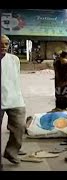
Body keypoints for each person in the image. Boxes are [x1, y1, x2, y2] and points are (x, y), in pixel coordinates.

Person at [1, 34, 26, 166]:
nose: (3, 46)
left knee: (19, 127)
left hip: (15, 99)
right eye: (1, 43)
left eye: (6, 44)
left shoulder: (14, 59)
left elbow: (15, 79)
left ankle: (11, 152)